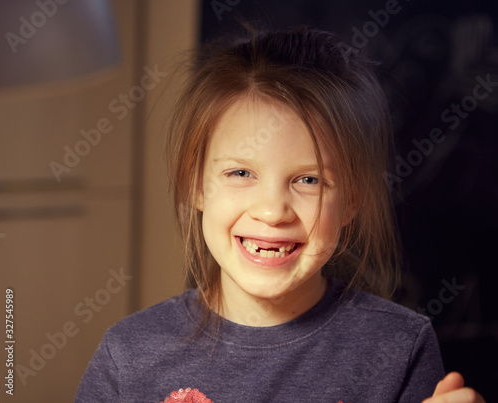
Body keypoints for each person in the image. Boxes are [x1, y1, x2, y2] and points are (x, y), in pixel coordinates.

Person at [76, 27, 485, 402]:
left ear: (353, 200)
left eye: (309, 180)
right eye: (240, 172)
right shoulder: (127, 355)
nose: (273, 211)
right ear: (196, 185)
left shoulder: (400, 348)